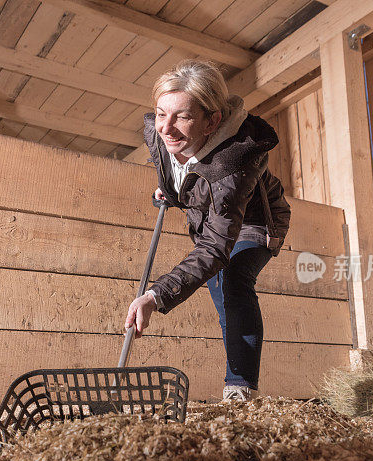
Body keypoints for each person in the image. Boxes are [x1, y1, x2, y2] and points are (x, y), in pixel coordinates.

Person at [124, 59, 291, 401]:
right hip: (215, 218)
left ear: (212, 121)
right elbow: (172, 165)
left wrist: (155, 297)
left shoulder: (234, 165)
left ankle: (241, 390)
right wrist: (170, 192)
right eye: (160, 113)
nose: (166, 128)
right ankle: (239, 377)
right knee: (221, 292)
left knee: (231, 282)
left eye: (182, 117)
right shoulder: (157, 134)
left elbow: (215, 247)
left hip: (255, 221)